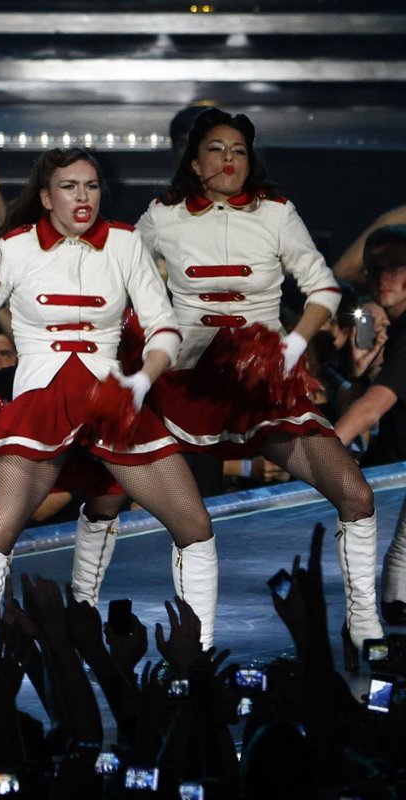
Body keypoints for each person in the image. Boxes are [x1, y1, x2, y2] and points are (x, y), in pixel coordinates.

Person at [124, 108, 382, 664]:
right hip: (188, 382)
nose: (229, 160)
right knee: (188, 521)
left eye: (239, 150)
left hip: (263, 383)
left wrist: (289, 349)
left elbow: (323, 288)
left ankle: (363, 623)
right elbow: (123, 283)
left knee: (357, 495)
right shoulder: (163, 215)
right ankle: (196, 647)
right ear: (195, 162)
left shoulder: (276, 212)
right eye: (216, 149)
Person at [0, 147, 218, 648]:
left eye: (91, 186)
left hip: (110, 399)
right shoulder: (15, 246)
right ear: (46, 197)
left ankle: (194, 651)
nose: (83, 197)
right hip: (41, 401)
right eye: (69, 187)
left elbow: (163, 326)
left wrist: (141, 381)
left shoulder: (125, 242)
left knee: (193, 522)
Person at [335, 225, 406, 624]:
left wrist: (324, 453)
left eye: (396, 265)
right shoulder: (396, 332)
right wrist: (359, 373)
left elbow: (373, 408)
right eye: (374, 267)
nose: (383, 277)